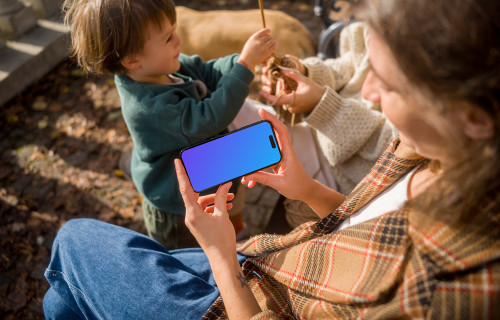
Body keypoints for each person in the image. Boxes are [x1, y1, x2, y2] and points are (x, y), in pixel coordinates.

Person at [44, 0, 500, 318]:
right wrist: (307, 190)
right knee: (69, 292)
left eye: (389, 85)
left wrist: (221, 259)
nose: (369, 95)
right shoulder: (425, 150)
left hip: (239, 297)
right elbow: (359, 229)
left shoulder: (448, 290)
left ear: (474, 117)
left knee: (71, 243)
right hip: (264, 260)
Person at [62, 0, 277, 249]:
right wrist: (245, 67)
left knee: (234, 182)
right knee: (195, 254)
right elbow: (208, 117)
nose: (178, 41)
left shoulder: (162, 66)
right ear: (132, 61)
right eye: (168, 39)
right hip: (178, 206)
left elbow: (207, 71)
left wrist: (238, 62)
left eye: (175, 31)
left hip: (206, 164)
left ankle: (236, 231)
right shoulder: (150, 106)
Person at [257, 21, 398, 228]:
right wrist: (303, 72)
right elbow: (352, 65)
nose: (367, 90)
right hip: (322, 137)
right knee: (241, 121)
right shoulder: (376, 17)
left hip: (355, 176)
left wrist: (323, 106)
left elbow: (395, 146)